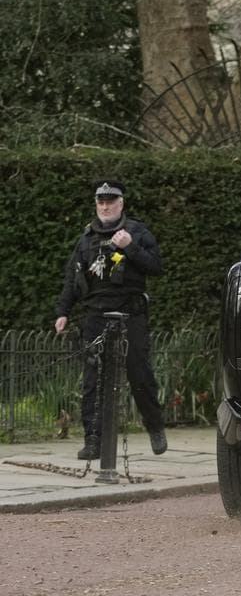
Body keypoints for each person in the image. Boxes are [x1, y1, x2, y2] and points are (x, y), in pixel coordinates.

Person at [53, 180, 167, 459]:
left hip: (130, 312)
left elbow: (156, 267)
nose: (105, 207)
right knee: (93, 380)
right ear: (96, 204)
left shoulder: (137, 232)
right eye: (100, 202)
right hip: (95, 315)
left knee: (139, 373)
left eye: (110, 201)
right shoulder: (86, 237)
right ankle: (93, 440)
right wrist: (62, 312)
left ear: (121, 203)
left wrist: (130, 248)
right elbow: (73, 277)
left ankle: (154, 426)